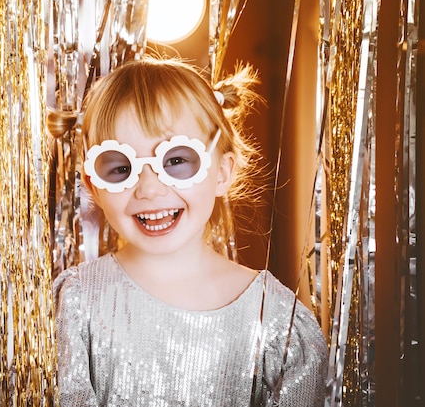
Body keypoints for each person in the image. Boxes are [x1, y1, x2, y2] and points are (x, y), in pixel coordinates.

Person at [51, 57, 328, 406]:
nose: (149, 189)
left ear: (222, 172)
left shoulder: (277, 321)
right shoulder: (79, 302)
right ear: (93, 185)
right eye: (120, 168)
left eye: (177, 160)